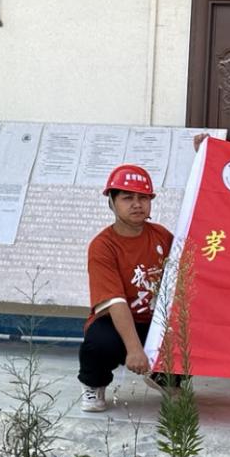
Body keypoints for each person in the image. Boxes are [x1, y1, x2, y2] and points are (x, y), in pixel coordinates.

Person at [78, 164, 174, 413]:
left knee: (188, 334)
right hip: (115, 321)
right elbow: (115, 301)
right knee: (99, 343)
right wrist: (134, 349)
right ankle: (93, 384)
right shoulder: (103, 245)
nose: (137, 204)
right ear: (112, 202)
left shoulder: (162, 236)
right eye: (127, 198)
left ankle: (166, 378)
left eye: (143, 198)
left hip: (155, 320)